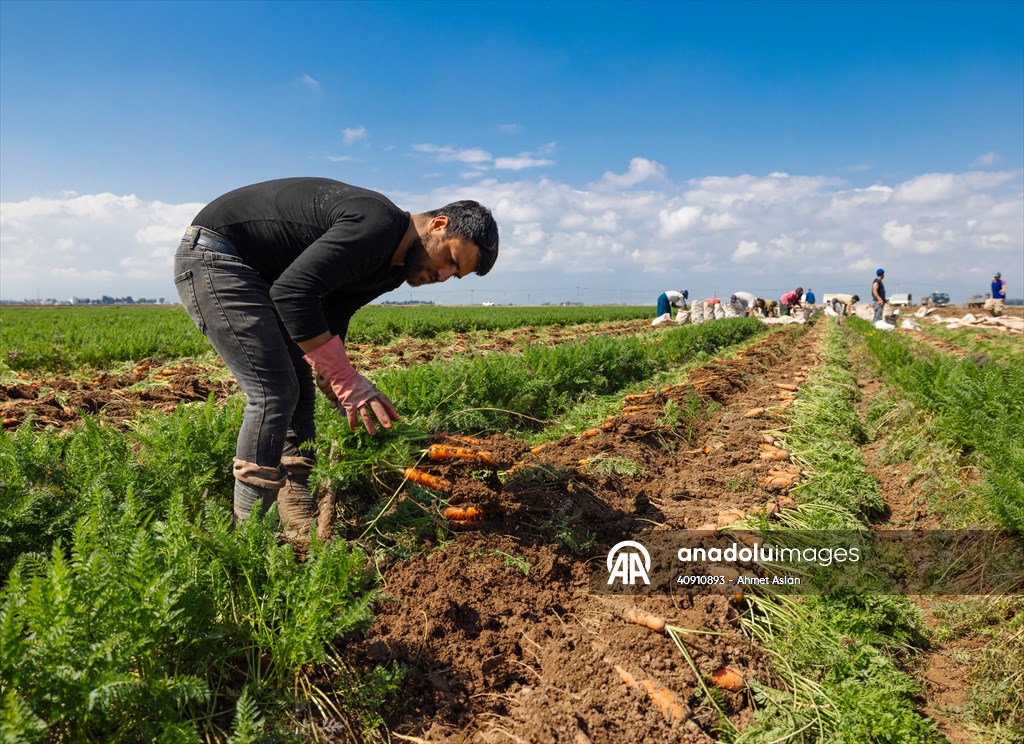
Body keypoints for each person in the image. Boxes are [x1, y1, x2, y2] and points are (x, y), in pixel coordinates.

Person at [173, 177, 499, 538]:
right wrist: (345, 379)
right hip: (218, 256)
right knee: (274, 390)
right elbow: (293, 293)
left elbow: (332, 309)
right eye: (450, 259)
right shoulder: (378, 226)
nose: (443, 275)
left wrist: (329, 371)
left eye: (455, 275)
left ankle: (295, 501)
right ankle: (250, 539)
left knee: (297, 382)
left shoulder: (392, 269)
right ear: (439, 225)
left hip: (264, 274)